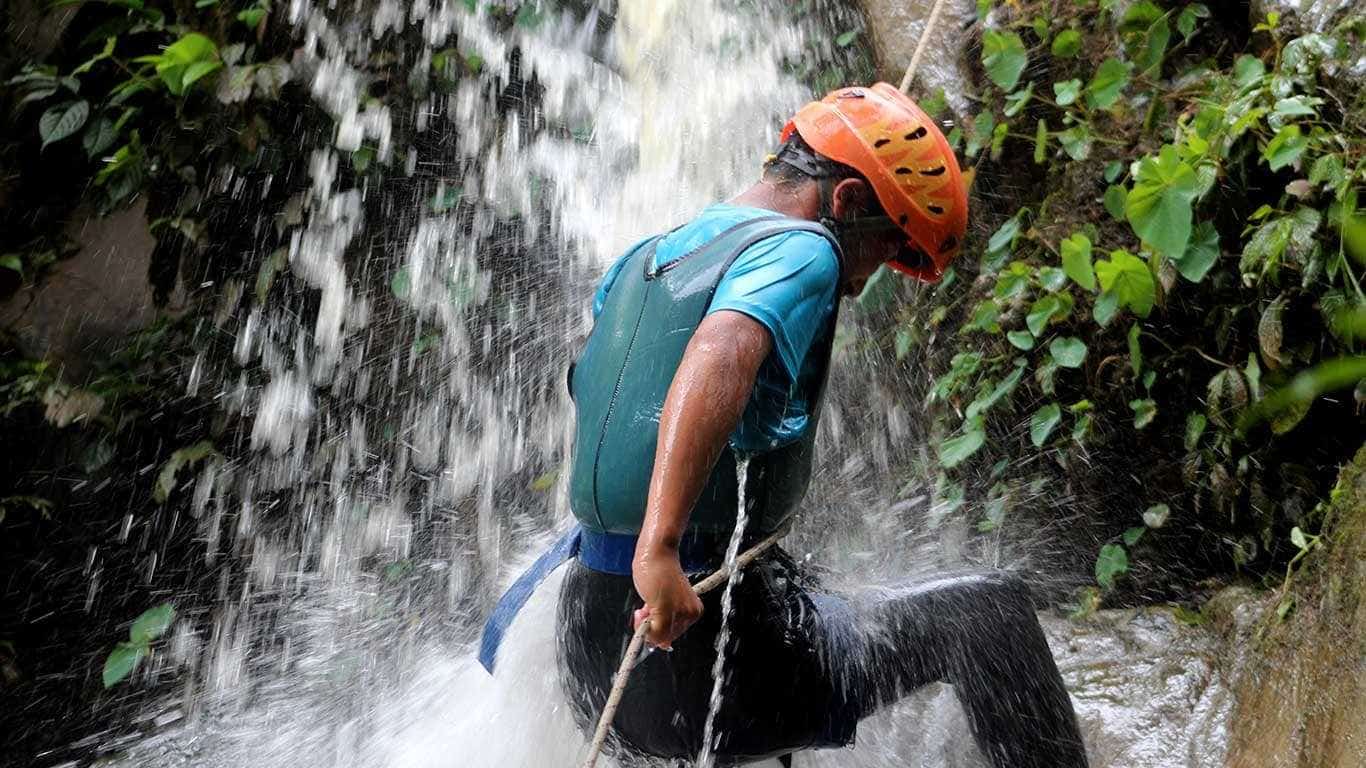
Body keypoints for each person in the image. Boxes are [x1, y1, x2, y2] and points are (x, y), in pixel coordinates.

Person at [479, 83, 1089, 767]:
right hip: (697, 654)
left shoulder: (649, 256)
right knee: (990, 616)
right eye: (883, 247)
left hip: (592, 648)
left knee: (809, 594)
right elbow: (721, 352)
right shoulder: (805, 248)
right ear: (846, 201)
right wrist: (660, 547)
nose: (863, 282)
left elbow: (605, 405)